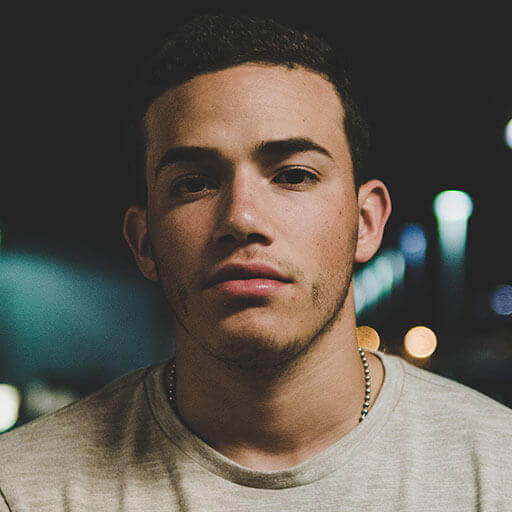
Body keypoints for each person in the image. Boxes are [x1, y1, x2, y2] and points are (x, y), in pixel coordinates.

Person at [0, 13, 511, 511]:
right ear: (145, 242)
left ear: (366, 223)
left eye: (294, 175)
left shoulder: (496, 473)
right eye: (194, 184)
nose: (241, 218)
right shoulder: (24, 490)